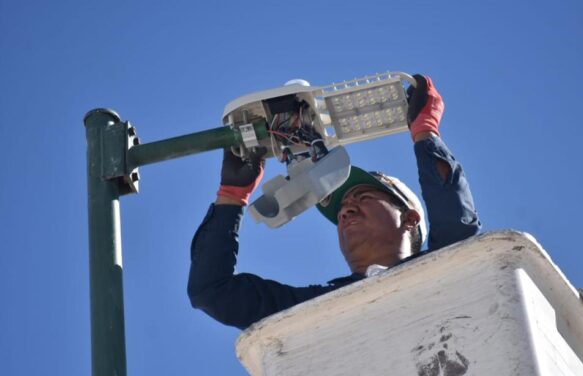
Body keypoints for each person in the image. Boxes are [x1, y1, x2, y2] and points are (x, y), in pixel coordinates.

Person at [187, 75, 481, 330]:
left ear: (410, 219)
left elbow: (458, 230)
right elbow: (211, 292)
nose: (345, 210)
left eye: (363, 197)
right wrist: (231, 197)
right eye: (341, 208)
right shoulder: (317, 307)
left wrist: (426, 133)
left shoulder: (444, 272)